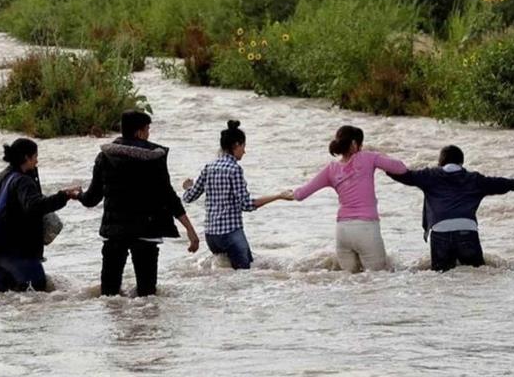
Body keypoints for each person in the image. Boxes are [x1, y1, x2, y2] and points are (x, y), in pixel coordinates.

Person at [78, 110, 200, 297]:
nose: (149, 134)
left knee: (109, 296)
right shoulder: (155, 159)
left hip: (114, 233)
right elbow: (169, 197)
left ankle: (111, 327)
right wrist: (190, 230)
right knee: (147, 295)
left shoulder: (104, 157)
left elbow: (92, 198)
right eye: (147, 129)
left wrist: (76, 195)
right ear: (139, 133)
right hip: (146, 232)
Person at [387, 145, 514, 272]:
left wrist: (380, 165)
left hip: (440, 231)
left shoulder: (429, 175)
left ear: (440, 162)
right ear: (461, 162)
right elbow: (501, 183)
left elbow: (404, 175)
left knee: (441, 278)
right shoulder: (474, 179)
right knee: (477, 274)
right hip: (467, 230)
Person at [291, 125, 407, 273]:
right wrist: (380, 154)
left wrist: (285, 194)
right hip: (366, 228)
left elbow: (301, 194)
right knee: (378, 281)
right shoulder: (368, 157)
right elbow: (401, 168)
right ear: (354, 144)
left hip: (342, 231)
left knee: (348, 283)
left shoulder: (331, 169)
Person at [182, 120, 292, 270]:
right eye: (243, 146)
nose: (244, 151)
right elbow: (246, 205)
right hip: (230, 233)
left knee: (225, 275)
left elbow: (188, 197)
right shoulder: (234, 169)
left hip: (211, 236)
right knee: (245, 274)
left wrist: (188, 187)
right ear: (236, 145)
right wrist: (278, 196)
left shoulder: (209, 167)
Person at [0, 138, 79, 292]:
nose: (37, 161)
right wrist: (64, 196)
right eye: (35, 156)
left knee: (5, 301)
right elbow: (36, 206)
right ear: (26, 158)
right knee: (37, 296)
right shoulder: (23, 181)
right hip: (21, 253)